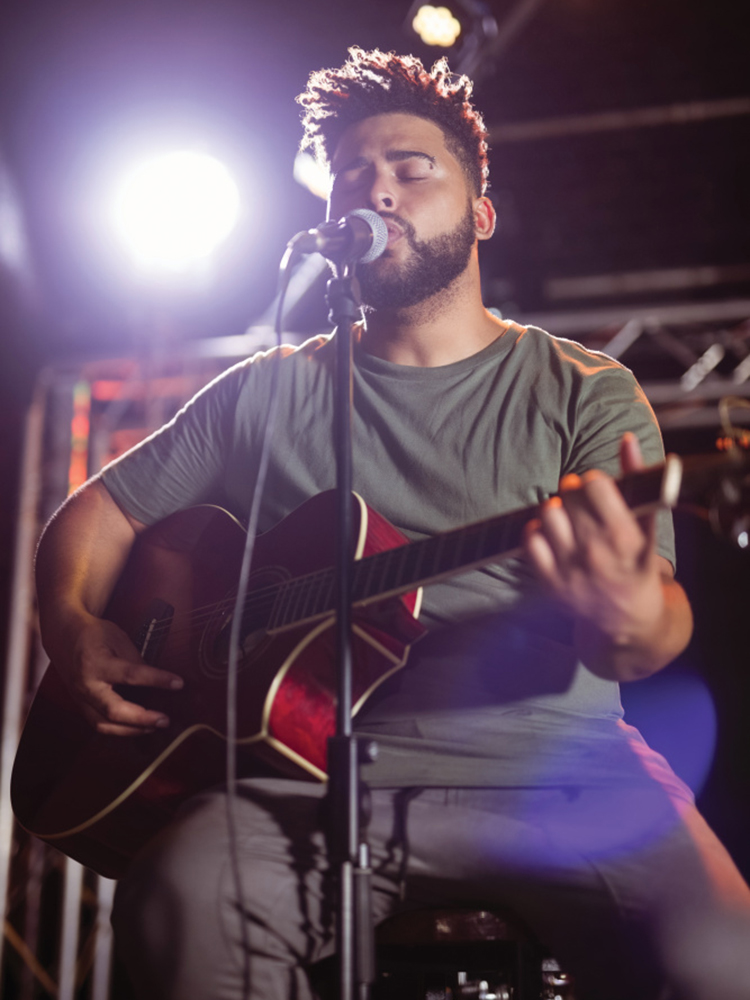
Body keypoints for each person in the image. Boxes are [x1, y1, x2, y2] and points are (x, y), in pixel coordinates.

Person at [33, 47, 750, 1000]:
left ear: (480, 212)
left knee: (725, 958)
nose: (378, 191)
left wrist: (623, 610)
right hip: (303, 778)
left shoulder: (584, 389)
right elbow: (99, 512)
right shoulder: (266, 390)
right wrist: (73, 626)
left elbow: (650, 635)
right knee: (177, 895)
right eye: (353, 178)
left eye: (414, 170)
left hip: (562, 770)